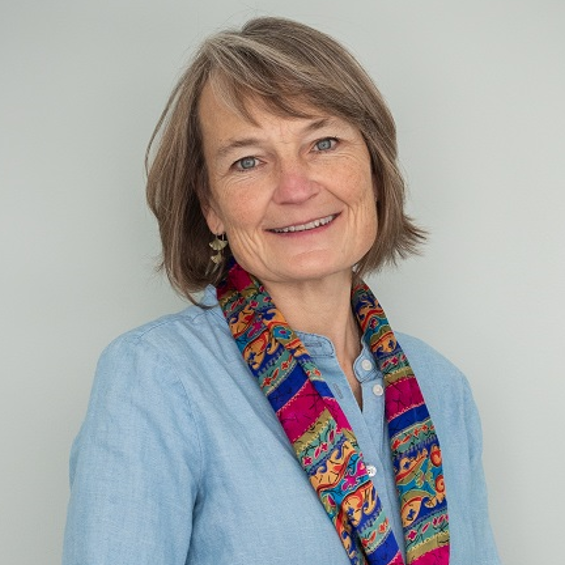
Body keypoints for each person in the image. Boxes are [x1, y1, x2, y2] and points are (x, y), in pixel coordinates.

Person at [62, 17, 501, 565]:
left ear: (373, 169)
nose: (295, 187)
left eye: (324, 142)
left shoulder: (443, 388)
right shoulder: (156, 381)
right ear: (210, 204)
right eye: (248, 160)